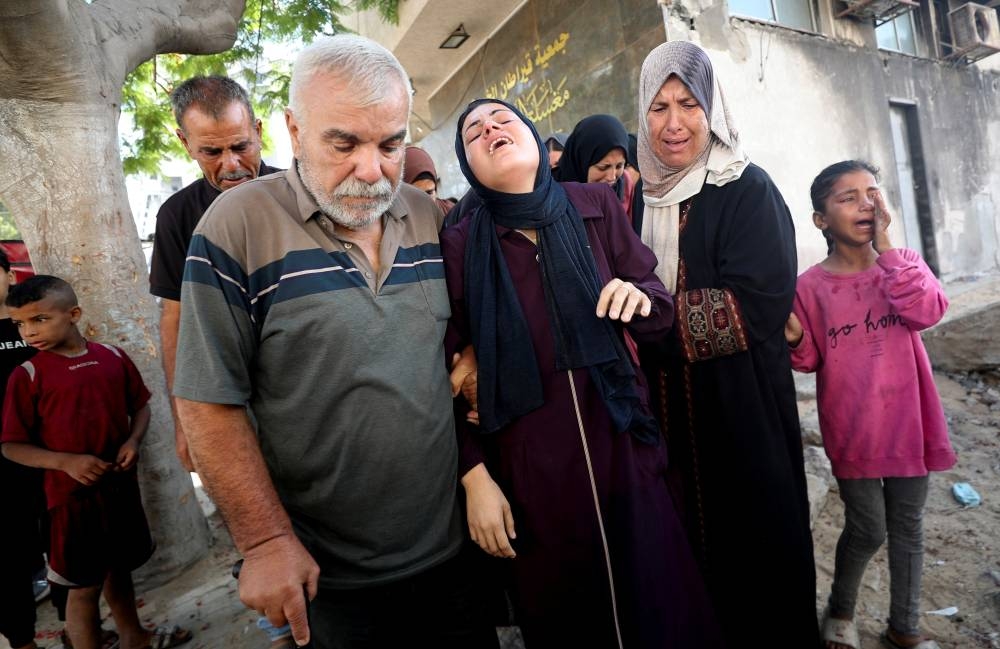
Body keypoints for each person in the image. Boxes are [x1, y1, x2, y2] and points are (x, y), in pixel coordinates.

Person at [172, 35, 499, 649]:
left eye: (390, 145)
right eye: (344, 144)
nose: (372, 170)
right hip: (330, 577)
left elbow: (465, 333)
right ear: (294, 131)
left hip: (453, 553)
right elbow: (208, 401)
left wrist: (475, 355)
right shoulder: (236, 228)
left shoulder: (430, 219)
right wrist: (265, 541)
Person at [442, 98, 723, 649]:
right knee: (569, 617)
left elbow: (659, 307)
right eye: (474, 131)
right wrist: (475, 477)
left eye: (503, 119)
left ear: (534, 137)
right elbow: (447, 373)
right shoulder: (459, 246)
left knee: (661, 605)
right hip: (532, 473)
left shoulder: (594, 205)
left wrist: (637, 298)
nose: (491, 128)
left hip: (623, 446)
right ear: (468, 165)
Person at [633, 41, 822, 647]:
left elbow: (756, 303)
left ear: (711, 108)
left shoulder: (746, 188)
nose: (674, 123)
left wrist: (646, 323)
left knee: (757, 558)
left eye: (688, 104)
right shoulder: (638, 198)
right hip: (665, 418)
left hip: (742, 413)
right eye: (659, 107)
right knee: (685, 561)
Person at [786, 161, 955, 649]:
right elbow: (809, 360)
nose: (865, 204)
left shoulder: (902, 265)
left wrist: (889, 252)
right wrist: (794, 337)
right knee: (868, 528)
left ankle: (904, 627)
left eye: (871, 193)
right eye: (848, 197)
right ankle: (841, 608)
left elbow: (928, 310)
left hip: (911, 424)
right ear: (820, 220)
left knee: (908, 527)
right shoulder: (808, 287)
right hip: (853, 428)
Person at [1, 275, 191, 649]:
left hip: (118, 487)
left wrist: (133, 441)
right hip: (71, 501)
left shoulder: (111, 357)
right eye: (20, 324)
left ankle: (134, 637)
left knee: (118, 568)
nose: (29, 332)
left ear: (73, 314)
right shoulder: (28, 375)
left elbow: (140, 406)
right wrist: (66, 462)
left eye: (40, 319)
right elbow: (11, 446)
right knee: (82, 587)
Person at [148, 75, 280, 472]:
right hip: (228, 397)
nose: (231, 165)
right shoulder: (176, 216)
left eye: (241, 146)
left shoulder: (299, 194)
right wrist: (185, 421)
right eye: (211, 151)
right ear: (185, 143)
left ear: (258, 131)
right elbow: (175, 319)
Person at [0, 250, 40, 649]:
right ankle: (23, 642)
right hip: (2, 470)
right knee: (7, 562)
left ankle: (81, 631)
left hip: (54, 459)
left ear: (10, 276)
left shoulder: (37, 321)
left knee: (65, 551)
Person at [553, 114, 632, 219]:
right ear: (581, 162)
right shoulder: (551, 197)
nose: (612, 177)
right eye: (603, 167)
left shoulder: (624, 186)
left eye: (619, 166)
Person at [403, 145, 456, 213]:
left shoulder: (453, 213)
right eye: (416, 196)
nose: (424, 203)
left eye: (429, 193)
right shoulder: (396, 218)